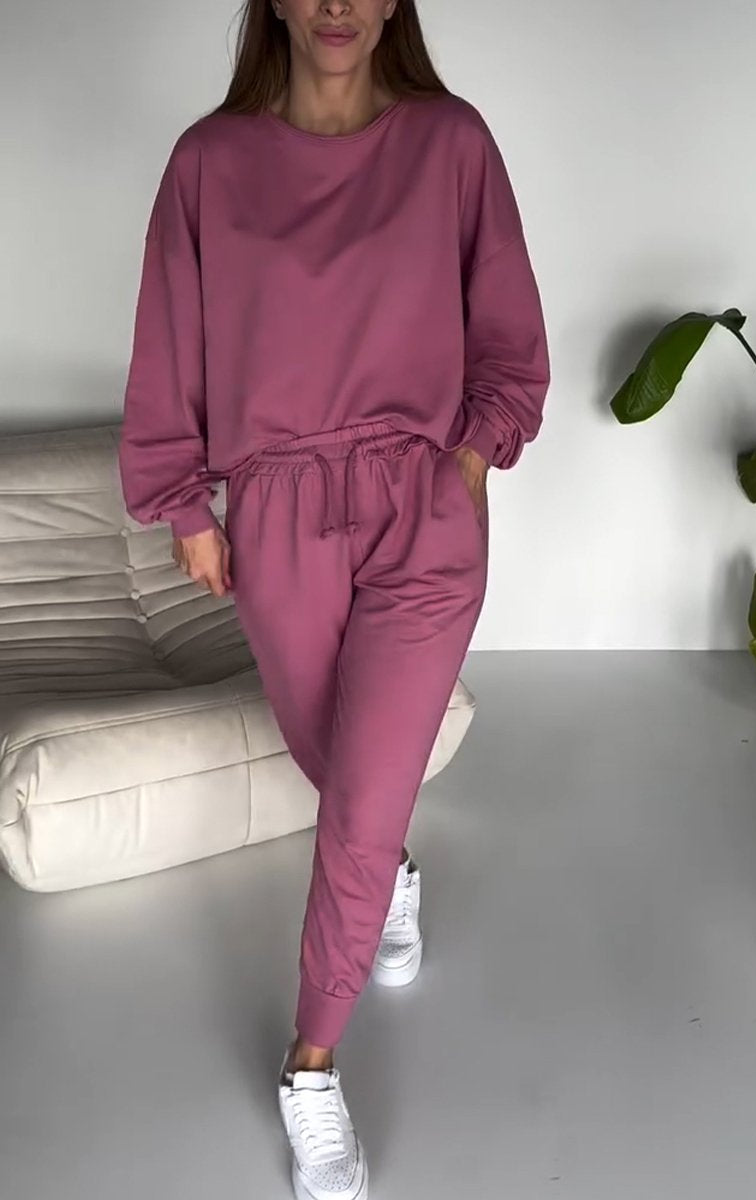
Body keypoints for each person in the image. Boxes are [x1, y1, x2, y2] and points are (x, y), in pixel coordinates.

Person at [119, 1, 550, 1196]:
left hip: (423, 508)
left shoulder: (449, 142)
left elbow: (508, 332)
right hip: (278, 516)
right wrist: (187, 508)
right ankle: (392, 876)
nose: (336, 4)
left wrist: (466, 466)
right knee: (336, 761)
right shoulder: (209, 162)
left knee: (354, 805)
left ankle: (309, 1063)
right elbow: (168, 344)